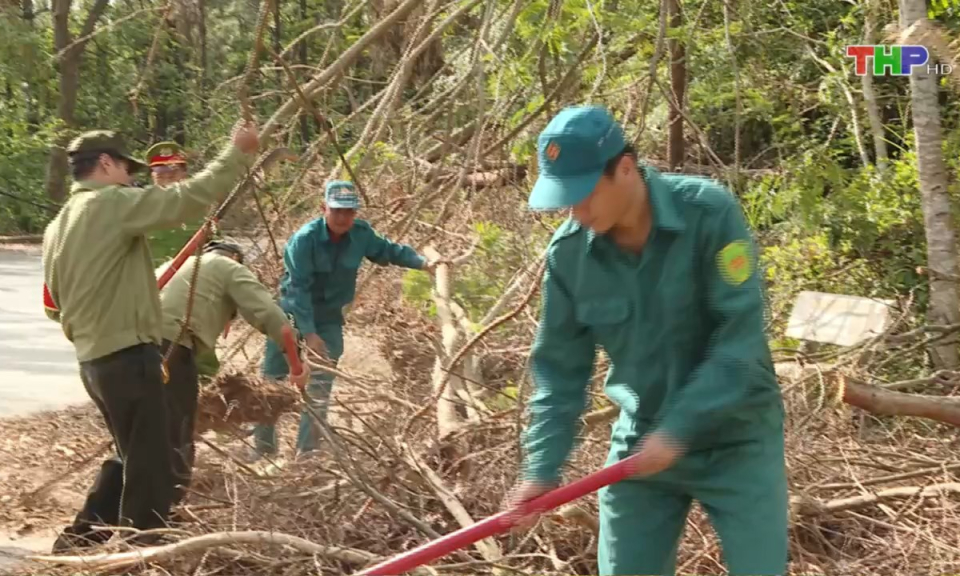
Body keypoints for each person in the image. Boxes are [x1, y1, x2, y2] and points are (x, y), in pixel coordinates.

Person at [506, 105, 787, 576]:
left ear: (626, 168)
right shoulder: (570, 256)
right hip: (640, 445)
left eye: (584, 194)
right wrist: (541, 467)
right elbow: (559, 373)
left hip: (737, 437)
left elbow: (739, 339)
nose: (576, 211)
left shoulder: (708, 213)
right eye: (565, 199)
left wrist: (680, 428)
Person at [42, 121, 260, 552]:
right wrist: (238, 154)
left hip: (93, 361)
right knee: (155, 464)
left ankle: (80, 542)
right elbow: (185, 200)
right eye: (127, 169)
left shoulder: (57, 226)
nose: (132, 178)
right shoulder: (111, 204)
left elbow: (53, 306)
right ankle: (144, 551)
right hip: (126, 355)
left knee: (131, 455)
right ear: (105, 164)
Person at [251, 180, 436, 460]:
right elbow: (297, 289)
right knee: (271, 381)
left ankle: (308, 455)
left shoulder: (361, 235)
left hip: (329, 318)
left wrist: (422, 262)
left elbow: (389, 251)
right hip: (289, 316)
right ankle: (263, 451)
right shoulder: (304, 240)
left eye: (348, 212)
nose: (342, 218)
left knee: (321, 383)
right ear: (323, 208)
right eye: (336, 211)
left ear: (355, 214)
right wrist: (309, 334)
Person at [159, 239, 311, 505]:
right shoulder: (229, 268)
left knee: (141, 435)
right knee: (177, 435)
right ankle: (164, 510)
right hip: (169, 349)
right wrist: (297, 366)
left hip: (126, 349)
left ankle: (120, 510)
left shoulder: (175, 267)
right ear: (236, 258)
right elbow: (276, 321)